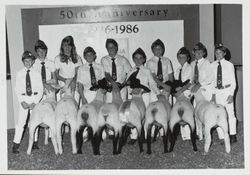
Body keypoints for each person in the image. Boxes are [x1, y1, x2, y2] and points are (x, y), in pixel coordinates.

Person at [126, 48, 160, 144]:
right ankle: (134, 136)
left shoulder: (147, 71)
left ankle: (145, 135)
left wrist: (158, 94)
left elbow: (152, 84)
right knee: (133, 115)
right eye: (136, 58)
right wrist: (132, 90)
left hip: (144, 96)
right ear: (133, 59)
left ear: (144, 59)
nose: (138, 60)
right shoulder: (130, 71)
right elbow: (127, 84)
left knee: (145, 115)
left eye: (140, 58)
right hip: (134, 96)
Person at [12, 51, 44, 153]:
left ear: (33, 61)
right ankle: (15, 144)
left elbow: (40, 89)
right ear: (23, 62)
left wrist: (35, 102)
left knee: (34, 122)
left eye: (30, 61)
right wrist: (22, 101)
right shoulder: (19, 73)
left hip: (34, 100)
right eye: (26, 61)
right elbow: (17, 89)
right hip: (24, 100)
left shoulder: (37, 73)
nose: (28, 63)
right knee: (21, 122)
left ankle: (34, 142)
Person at [211, 43, 237, 143]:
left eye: (220, 53)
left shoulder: (229, 65)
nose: (218, 55)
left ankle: (233, 135)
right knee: (218, 114)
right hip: (217, 91)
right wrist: (213, 96)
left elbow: (233, 82)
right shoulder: (212, 65)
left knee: (230, 113)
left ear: (224, 53)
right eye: (216, 53)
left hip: (227, 91)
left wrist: (231, 95)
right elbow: (213, 81)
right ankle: (222, 136)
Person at [190, 42, 214, 140]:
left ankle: (206, 133)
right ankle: (199, 133)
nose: (199, 54)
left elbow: (210, 77)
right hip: (196, 91)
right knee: (196, 111)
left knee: (206, 112)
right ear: (193, 52)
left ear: (204, 53)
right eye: (197, 52)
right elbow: (191, 78)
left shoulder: (207, 63)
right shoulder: (192, 64)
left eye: (201, 52)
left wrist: (199, 84)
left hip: (205, 90)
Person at [101, 38, 132, 103]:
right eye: (109, 47)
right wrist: (113, 83)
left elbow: (130, 73)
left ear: (116, 47)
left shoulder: (123, 59)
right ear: (106, 49)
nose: (111, 49)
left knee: (121, 108)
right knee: (110, 108)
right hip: (110, 88)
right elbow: (106, 74)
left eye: (113, 47)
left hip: (121, 89)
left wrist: (124, 83)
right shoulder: (104, 59)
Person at [54, 35, 83, 102]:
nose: (67, 47)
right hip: (63, 86)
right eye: (65, 45)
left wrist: (72, 82)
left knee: (74, 107)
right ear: (62, 47)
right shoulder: (57, 58)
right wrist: (66, 81)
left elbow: (78, 73)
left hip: (74, 85)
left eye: (69, 45)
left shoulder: (77, 58)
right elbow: (56, 75)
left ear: (72, 47)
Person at [174, 47, 193, 140]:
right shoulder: (178, 69)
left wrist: (181, 91)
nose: (181, 59)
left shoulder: (189, 68)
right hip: (178, 94)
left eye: (183, 57)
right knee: (180, 113)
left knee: (186, 112)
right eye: (179, 57)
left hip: (186, 93)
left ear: (188, 58)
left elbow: (189, 83)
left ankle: (189, 134)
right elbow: (176, 82)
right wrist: (175, 92)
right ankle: (184, 135)